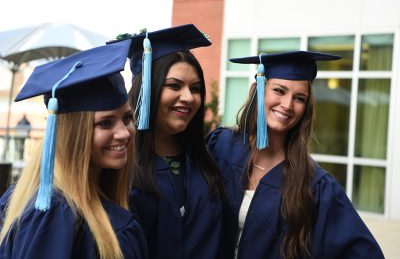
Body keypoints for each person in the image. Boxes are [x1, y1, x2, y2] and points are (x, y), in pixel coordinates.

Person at [206, 51, 385, 259]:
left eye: (299, 98)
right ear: (258, 90)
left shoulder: (314, 184)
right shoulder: (220, 146)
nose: (288, 105)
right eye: (279, 91)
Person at [0, 40, 147, 259]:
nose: (124, 133)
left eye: (127, 118)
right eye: (105, 123)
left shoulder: (91, 201)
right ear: (73, 135)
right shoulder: (55, 215)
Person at [109, 24, 226, 259]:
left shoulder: (206, 160)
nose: (188, 97)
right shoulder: (118, 166)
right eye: (174, 85)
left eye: (195, 88)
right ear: (147, 89)